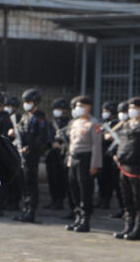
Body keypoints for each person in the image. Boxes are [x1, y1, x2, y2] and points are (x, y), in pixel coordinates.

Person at [113, 97, 140, 240]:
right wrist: (117, 155)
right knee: (127, 199)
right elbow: (121, 143)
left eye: (135, 108)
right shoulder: (126, 125)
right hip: (124, 166)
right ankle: (127, 227)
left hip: (138, 168)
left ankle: (137, 230)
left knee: (139, 200)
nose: (132, 111)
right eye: (130, 108)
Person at [64, 95, 102, 232]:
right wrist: (69, 160)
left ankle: (85, 221)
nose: (79, 108)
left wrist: (94, 165)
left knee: (85, 190)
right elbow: (72, 144)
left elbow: (96, 146)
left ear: (89, 107)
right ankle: (77, 218)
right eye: (77, 106)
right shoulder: (75, 123)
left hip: (86, 159)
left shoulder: (93, 123)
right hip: (73, 159)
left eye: (82, 106)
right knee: (74, 188)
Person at [13, 88, 50, 223]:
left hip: (31, 155)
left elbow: (43, 138)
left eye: (28, 101)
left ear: (35, 102)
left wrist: (30, 147)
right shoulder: (25, 117)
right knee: (24, 183)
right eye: (25, 102)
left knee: (31, 184)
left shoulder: (40, 119)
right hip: (23, 154)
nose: (26, 104)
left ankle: (31, 212)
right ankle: (25, 209)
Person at [45, 97, 71, 211]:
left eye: (60, 108)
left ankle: (60, 200)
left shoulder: (69, 122)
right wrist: (52, 142)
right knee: (52, 178)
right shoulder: (52, 122)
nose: (58, 111)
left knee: (60, 179)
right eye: (56, 108)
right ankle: (53, 199)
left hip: (62, 154)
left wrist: (62, 145)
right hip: (52, 153)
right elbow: (47, 135)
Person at [97, 100, 121, 212]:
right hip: (101, 153)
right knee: (100, 178)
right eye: (103, 111)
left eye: (107, 111)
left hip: (110, 155)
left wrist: (110, 137)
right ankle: (101, 199)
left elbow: (118, 138)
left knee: (109, 180)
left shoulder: (117, 123)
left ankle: (106, 200)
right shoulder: (102, 123)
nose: (104, 113)